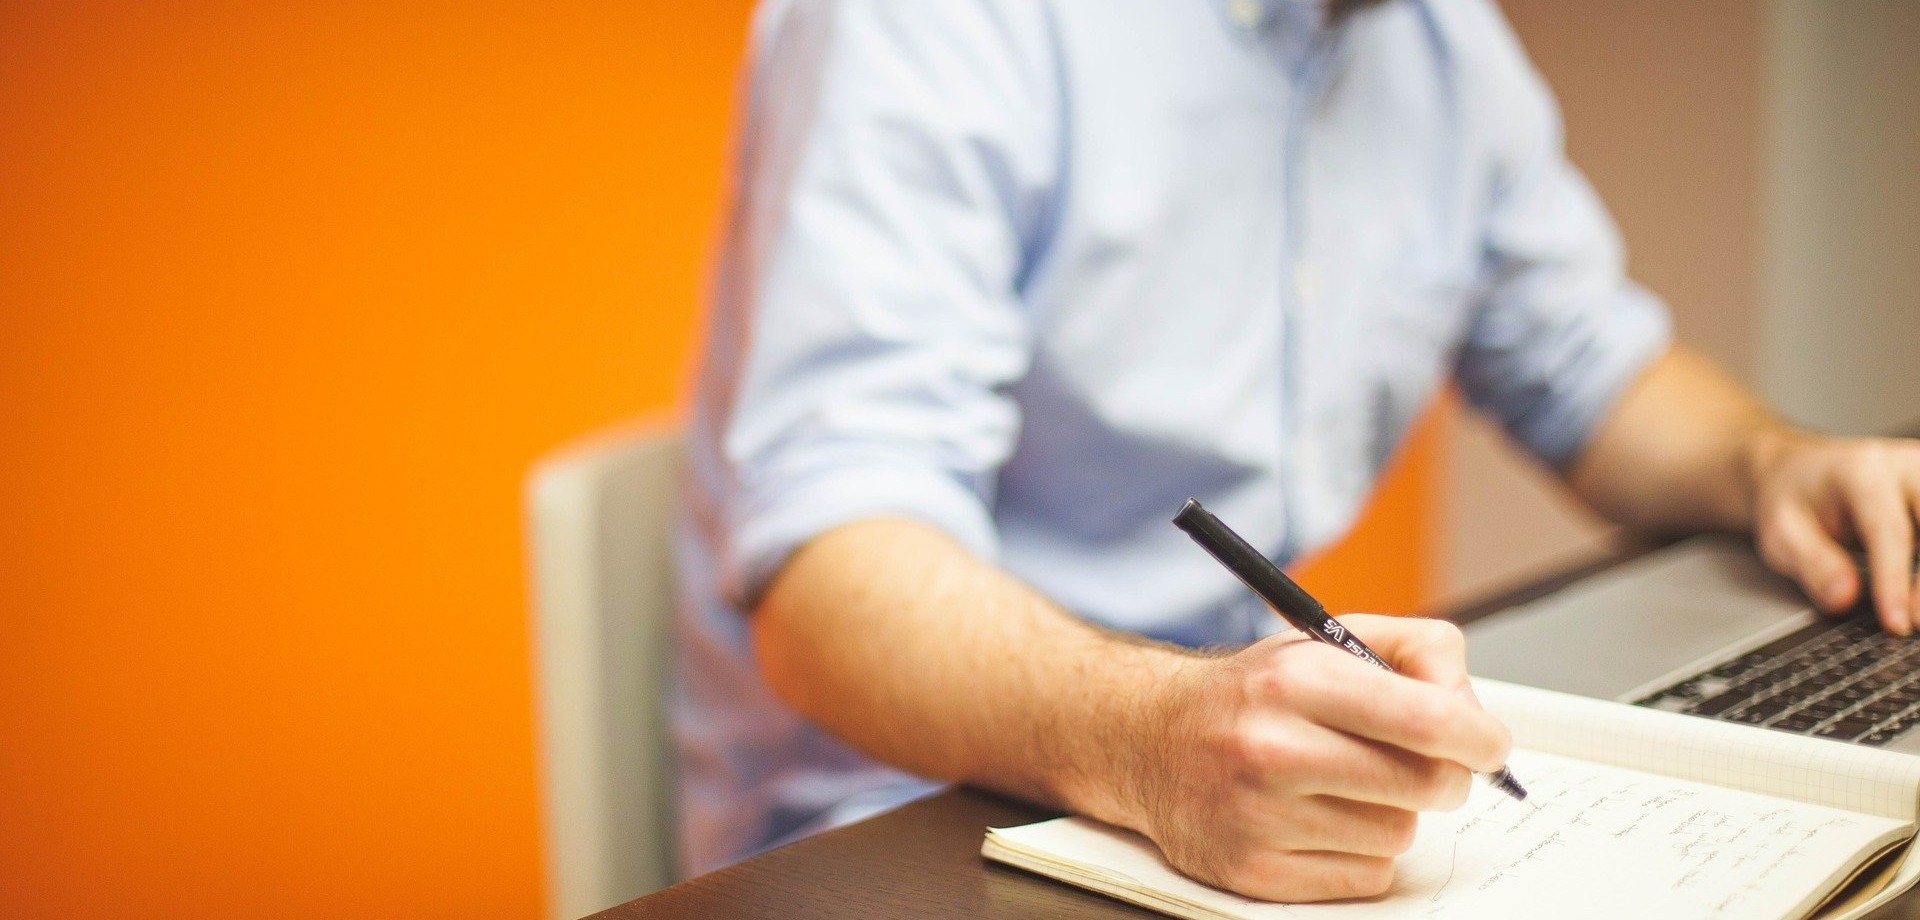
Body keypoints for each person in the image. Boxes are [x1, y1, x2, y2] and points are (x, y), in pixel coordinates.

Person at [672, 0, 1920, 899]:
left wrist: (1774, 463)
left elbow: (1590, 367)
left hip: (1230, 782)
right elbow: (828, 575)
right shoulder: (938, 25)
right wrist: (1153, 738)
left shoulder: (1438, 46)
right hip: (905, 828)